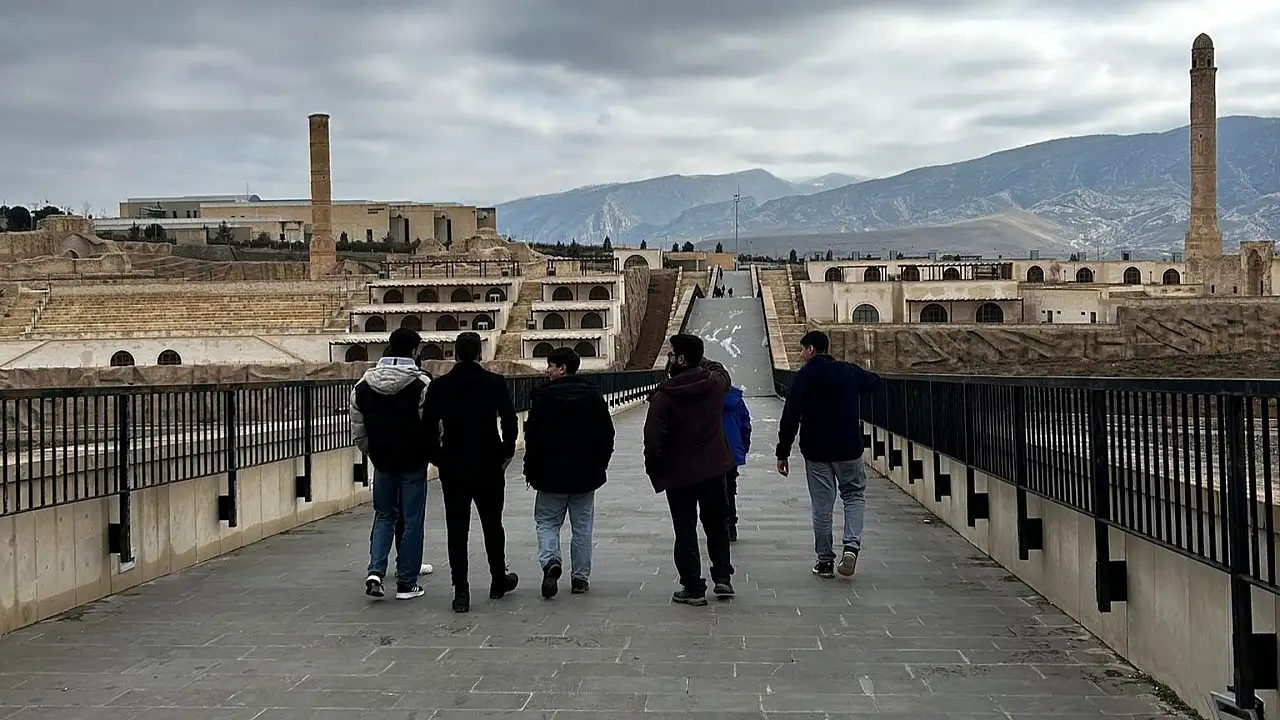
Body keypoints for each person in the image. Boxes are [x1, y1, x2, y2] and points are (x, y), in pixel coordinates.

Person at [423, 331, 520, 613]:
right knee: (492, 524)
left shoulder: (440, 386)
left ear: (455, 354)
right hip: (488, 461)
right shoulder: (494, 382)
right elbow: (510, 420)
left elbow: (427, 427)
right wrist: (507, 450)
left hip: (454, 462)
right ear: (480, 353)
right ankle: (498, 579)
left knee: (457, 528)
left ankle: (461, 591)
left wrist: (438, 458)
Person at [775, 329, 882, 579]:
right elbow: (875, 383)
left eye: (802, 350)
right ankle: (851, 546)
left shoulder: (803, 378)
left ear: (811, 350)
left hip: (816, 451)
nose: (800, 355)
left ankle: (824, 562)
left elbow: (790, 417)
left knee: (822, 506)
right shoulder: (847, 371)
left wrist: (783, 452)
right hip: (848, 447)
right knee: (853, 495)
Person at [643, 333, 736, 606]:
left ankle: (693, 587)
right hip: (713, 469)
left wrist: (655, 470)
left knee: (685, 529)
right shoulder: (714, 385)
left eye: (672, 354)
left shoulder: (663, 397)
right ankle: (722, 577)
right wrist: (698, 359)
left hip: (679, 474)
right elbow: (722, 371)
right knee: (717, 526)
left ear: (681, 359)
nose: (668, 358)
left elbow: (653, 440)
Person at [523, 347, 615, 598]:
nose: (547, 370)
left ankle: (551, 561)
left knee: (547, 522)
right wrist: (600, 463)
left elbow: (532, 437)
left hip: (550, 475)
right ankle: (580, 578)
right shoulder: (592, 396)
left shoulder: (543, 398)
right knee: (582, 527)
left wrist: (531, 469)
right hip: (585, 474)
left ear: (562, 369)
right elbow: (606, 433)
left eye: (551, 365)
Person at [350, 327, 431, 600]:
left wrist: (372, 451)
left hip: (382, 460)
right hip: (413, 460)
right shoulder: (421, 384)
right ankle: (407, 582)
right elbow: (432, 425)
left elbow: (358, 428)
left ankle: (375, 571)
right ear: (414, 351)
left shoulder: (363, 385)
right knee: (412, 519)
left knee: (384, 515)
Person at [721, 384, 752, 542]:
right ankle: (731, 525)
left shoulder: (705, 397)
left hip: (710, 451)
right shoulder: (735, 399)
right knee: (729, 488)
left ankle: (718, 526)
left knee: (713, 490)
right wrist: (743, 447)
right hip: (731, 450)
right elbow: (745, 425)